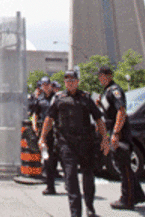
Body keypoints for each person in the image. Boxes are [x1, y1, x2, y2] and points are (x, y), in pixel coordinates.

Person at [39, 69, 104, 217]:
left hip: (86, 144)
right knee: (70, 178)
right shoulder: (59, 98)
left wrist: (104, 139)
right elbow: (49, 119)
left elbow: (98, 119)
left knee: (88, 176)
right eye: (67, 81)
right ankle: (75, 213)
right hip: (67, 144)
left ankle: (90, 207)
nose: (70, 83)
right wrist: (42, 137)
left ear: (77, 82)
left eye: (73, 80)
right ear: (64, 83)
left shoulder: (86, 98)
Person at [96, 66, 145, 210]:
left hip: (121, 134)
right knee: (122, 166)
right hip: (113, 131)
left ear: (109, 76)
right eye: (99, 76)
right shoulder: (106, 91)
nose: (100, 78)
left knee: (124, 167)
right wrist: (99, 103)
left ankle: (127, 200)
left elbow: (121, 111)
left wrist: (116, 133)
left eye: (102, 75)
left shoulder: (115, 90)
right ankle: (136, 195)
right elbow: (109, 111)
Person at [31, 76, 58, 195]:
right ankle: (50, 186)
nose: (45, 87)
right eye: (43, 85)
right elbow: (35, 114)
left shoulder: (57, 98)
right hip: (45, 133)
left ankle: (70, 185)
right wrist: (34, 125)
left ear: (51, 85)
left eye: (47, 84)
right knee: (47, 160)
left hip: (57, 132)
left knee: (61, 158)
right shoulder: (40, 99)